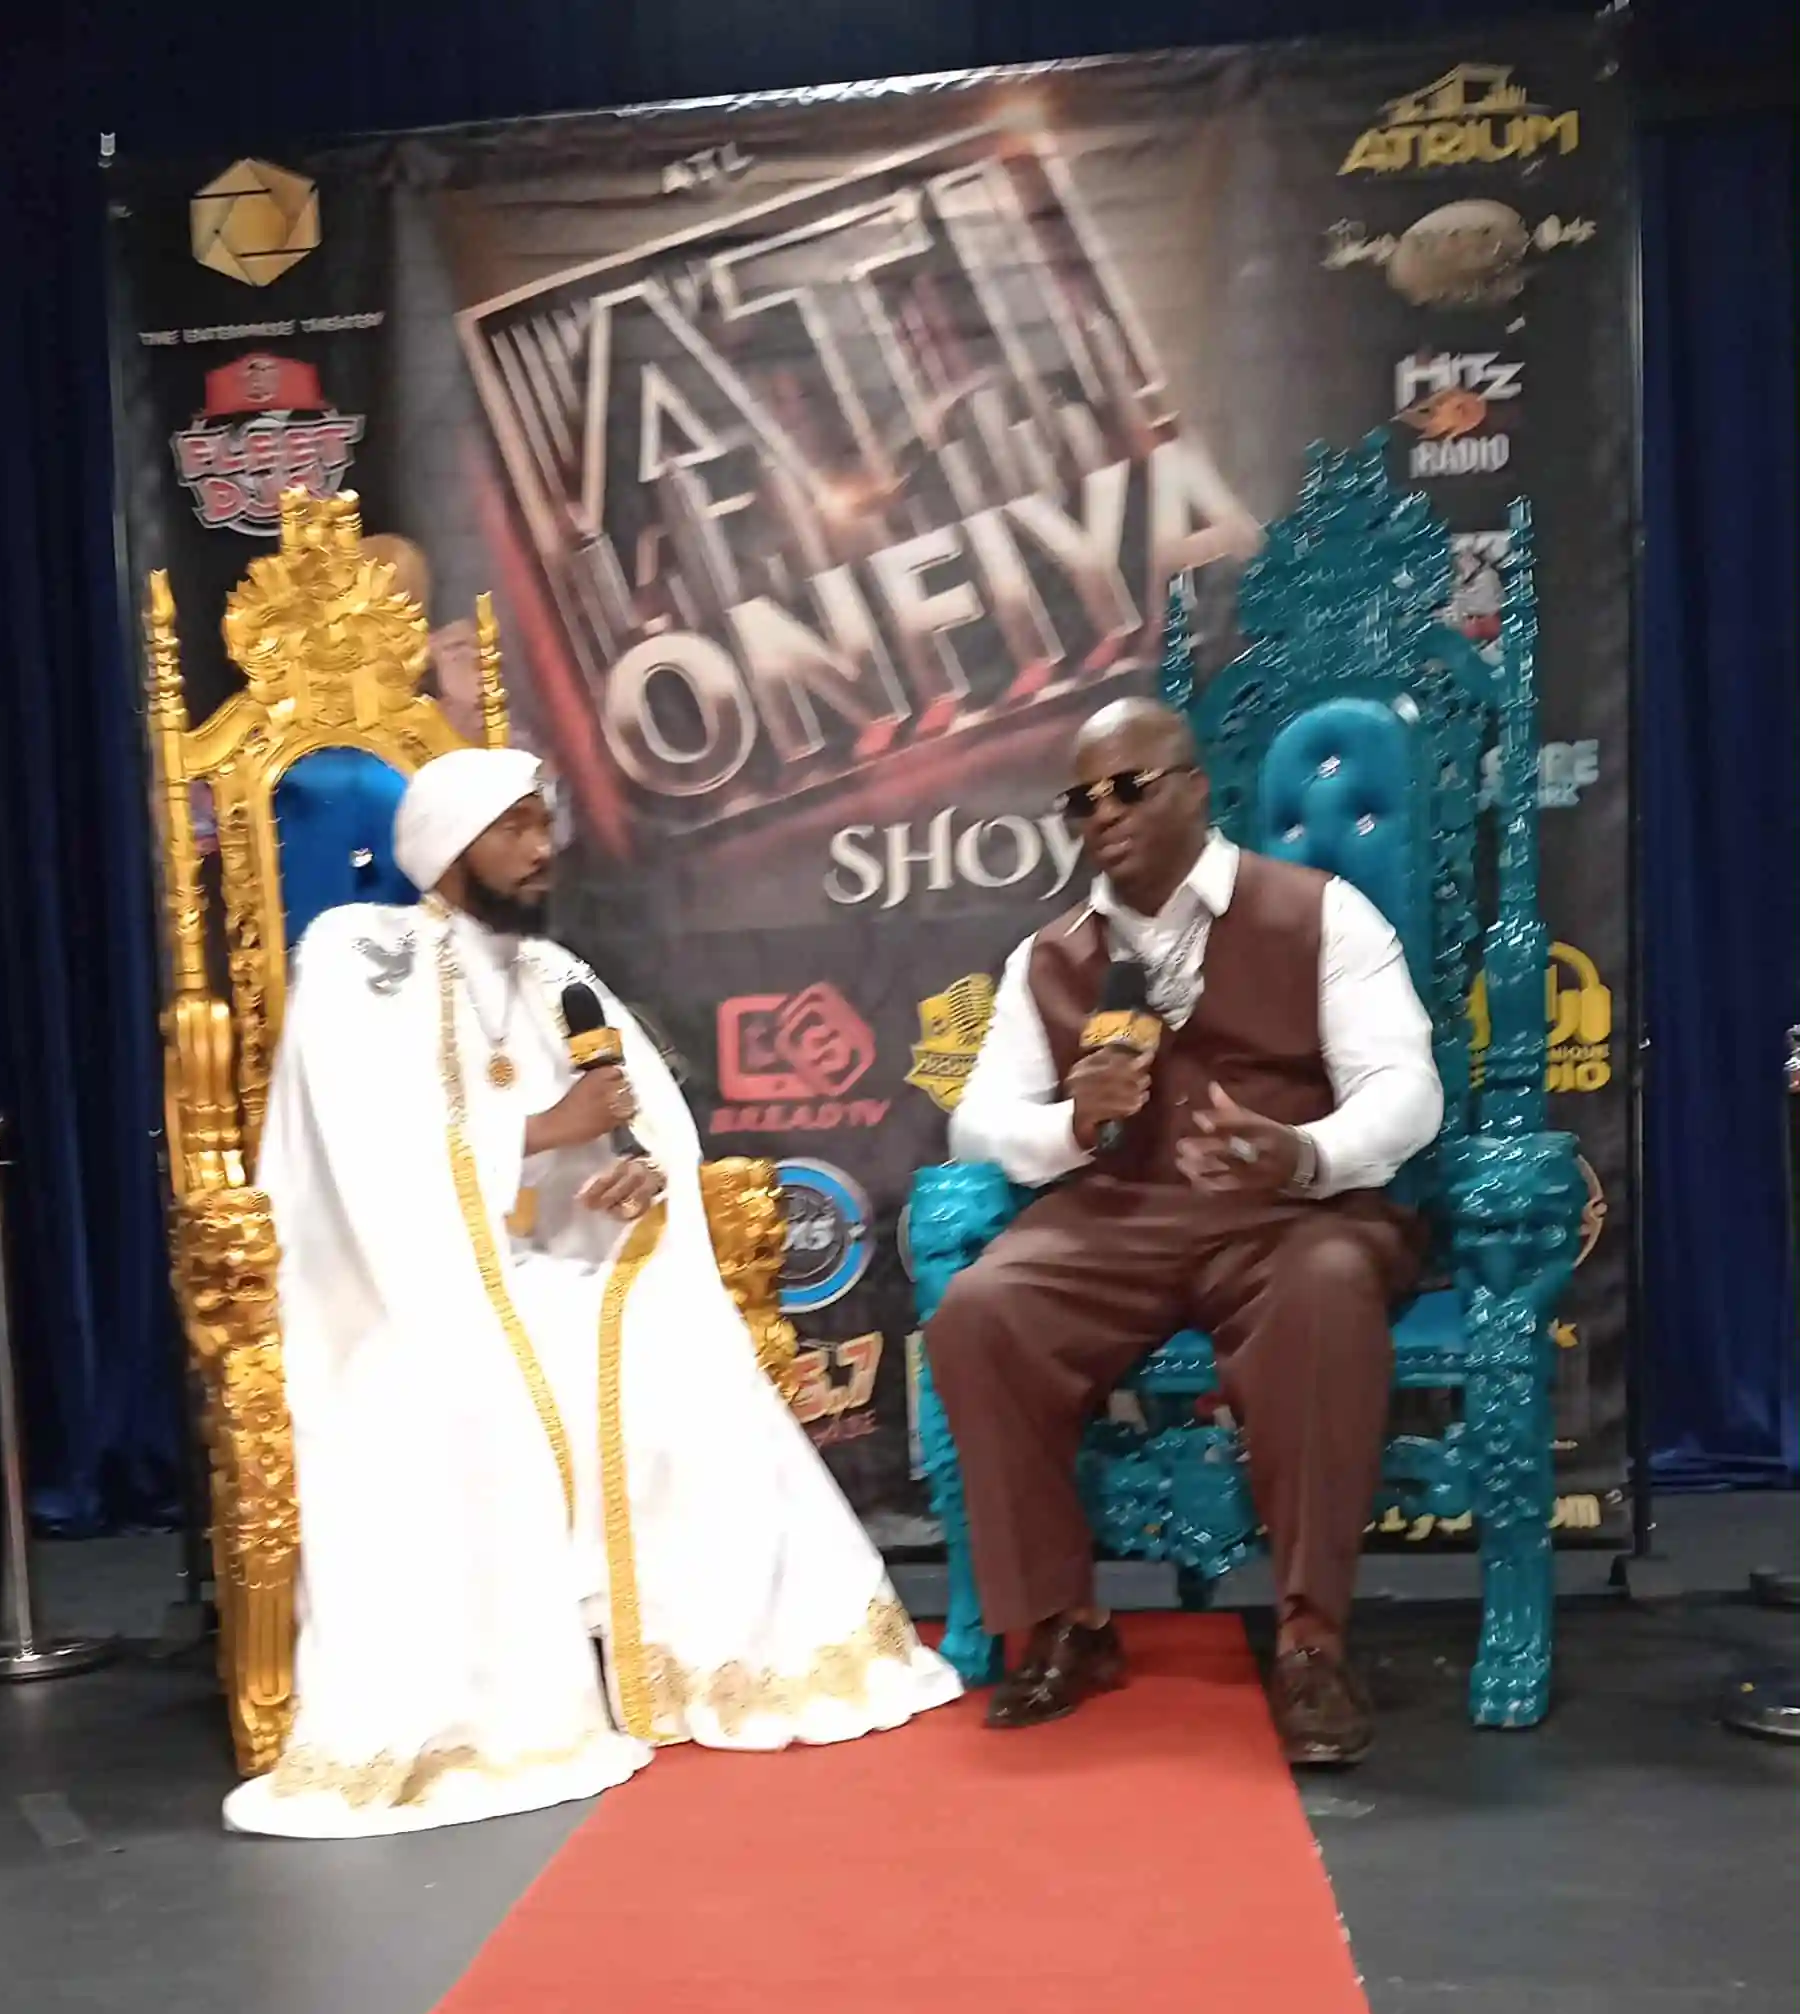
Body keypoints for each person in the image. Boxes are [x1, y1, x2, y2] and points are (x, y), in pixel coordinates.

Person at [226, 743, 957, 1839]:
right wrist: (540, 1130)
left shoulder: (556, 977)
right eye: (514, 828)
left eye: (542, 824)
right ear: (447, 844)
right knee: (470, 1389)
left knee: (689, 1359)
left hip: (546, 1271)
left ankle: (709, 1659)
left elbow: (637, 1126)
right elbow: (360, 1148)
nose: (541, 848)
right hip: (397, 1287)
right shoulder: (358, 953)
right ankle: (509, 1699)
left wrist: (628, 1175)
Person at [926, 698, 1442, 1766]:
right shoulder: (1050, 957)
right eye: (1081, 801)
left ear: (1195, 788)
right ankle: (1068, 1624)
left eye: (1128, 787)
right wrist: (1073, 1126)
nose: (1103, 814)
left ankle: (1309, 1642)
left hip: (1289, 1214)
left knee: (1325, 1288)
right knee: (980, 1310)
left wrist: (1304, 1153)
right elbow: (974, 1123)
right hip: (1117, 1216)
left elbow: (1405, 1090)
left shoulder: (1319, 913)